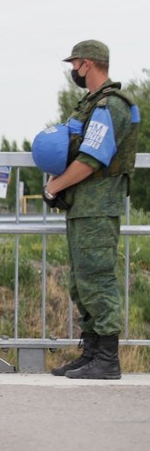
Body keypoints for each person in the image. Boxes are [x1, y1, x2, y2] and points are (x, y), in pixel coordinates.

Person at [43, 40, 139, 380]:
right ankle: (91, 354)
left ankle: (107, 360)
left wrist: (54, 186)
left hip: (98, 206)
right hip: (84, 207)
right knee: (81, 282)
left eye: (75, 65)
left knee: (97, 280)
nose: (73, 71)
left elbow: (91, 159)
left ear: (87, 64)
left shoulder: (111, 105)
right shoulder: (91, 104)